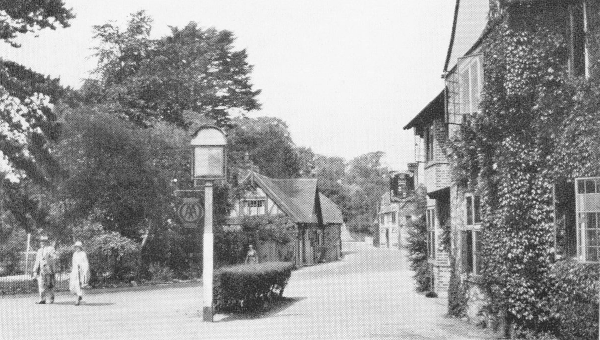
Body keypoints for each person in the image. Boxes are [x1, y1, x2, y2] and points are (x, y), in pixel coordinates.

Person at [32, 235, 56, 304]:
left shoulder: (51, 249)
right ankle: (42, 299)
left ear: (47, 242)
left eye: (44, 241)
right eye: (41, 241)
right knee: (41, 284)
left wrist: (49, 256)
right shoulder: (39, 250)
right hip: (41, 270)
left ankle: (51, 299)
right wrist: (35, 270)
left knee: (49, 284)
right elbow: (37, 261)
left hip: (49, 269)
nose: (42, 242)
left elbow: (54, 257)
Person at [69, 241, 90, 306]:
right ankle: (78, 296)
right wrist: (73, 269)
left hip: (81, 271)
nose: (77, 248)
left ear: (80, 247)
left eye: (78, 247)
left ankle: (77, 300)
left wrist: (83, 269)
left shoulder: (83, 254)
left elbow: (85, 263)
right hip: (75, 271)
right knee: (73, 286)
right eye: (76, 247)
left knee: (79, 285)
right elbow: (73, 262)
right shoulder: (74, 254)